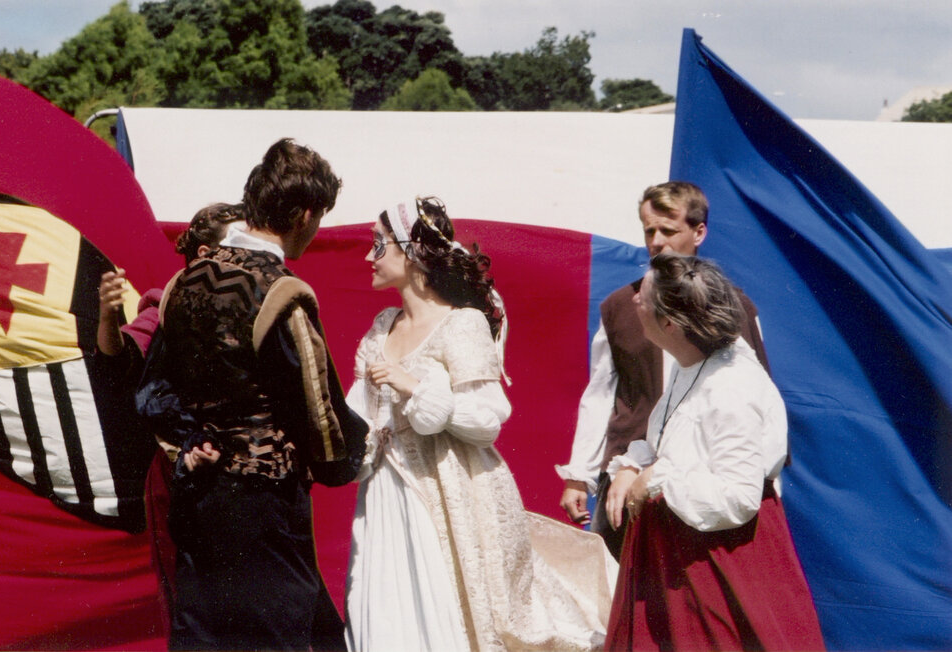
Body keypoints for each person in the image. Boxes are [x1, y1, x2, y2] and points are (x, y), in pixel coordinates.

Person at [345, 197, 616, 652]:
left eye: (378, 244)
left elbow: (488, 417)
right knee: (386, 610)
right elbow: (362, 412)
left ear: (412, 252)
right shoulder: (382, 326)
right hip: (387, 494)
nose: (368, 256)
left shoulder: (462, 323)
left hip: (454, 492)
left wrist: (415, 387)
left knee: (452, 613)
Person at [135, 138, 367, 651]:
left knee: (203, 635)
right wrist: (350, 454)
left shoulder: (181, 283)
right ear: (304, 214)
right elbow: (320, 414)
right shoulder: (282, 294)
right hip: (264, 503)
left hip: (197, 495)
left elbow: (151, 395)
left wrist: (192, 440)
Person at [602, 253, 823, 650]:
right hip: (674, 549)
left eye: (645, 298)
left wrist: (659, 478)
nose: (635, 300)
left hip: (717, 559)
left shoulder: (731, 388)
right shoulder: (693, 360)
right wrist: (633, 465)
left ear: (669, 323)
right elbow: (678, 440)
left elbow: (738, 497)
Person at [556, 181, 768, 558]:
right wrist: (579, 475)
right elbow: (601, 395)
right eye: (649, 230)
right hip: (625, 478)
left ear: (699, 232)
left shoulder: (736, 308)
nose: (656, 241)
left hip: (700, 484)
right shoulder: (622, 307)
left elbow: (760, 404)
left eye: (668, 231)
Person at [95, 202, 245, 635]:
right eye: (234, 247)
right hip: (184, 478)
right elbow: (120, 361)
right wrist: (107, 316)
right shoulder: (165, 308)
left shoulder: (256, 304)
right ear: (202, 254)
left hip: (245, 477)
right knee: (194, 604)